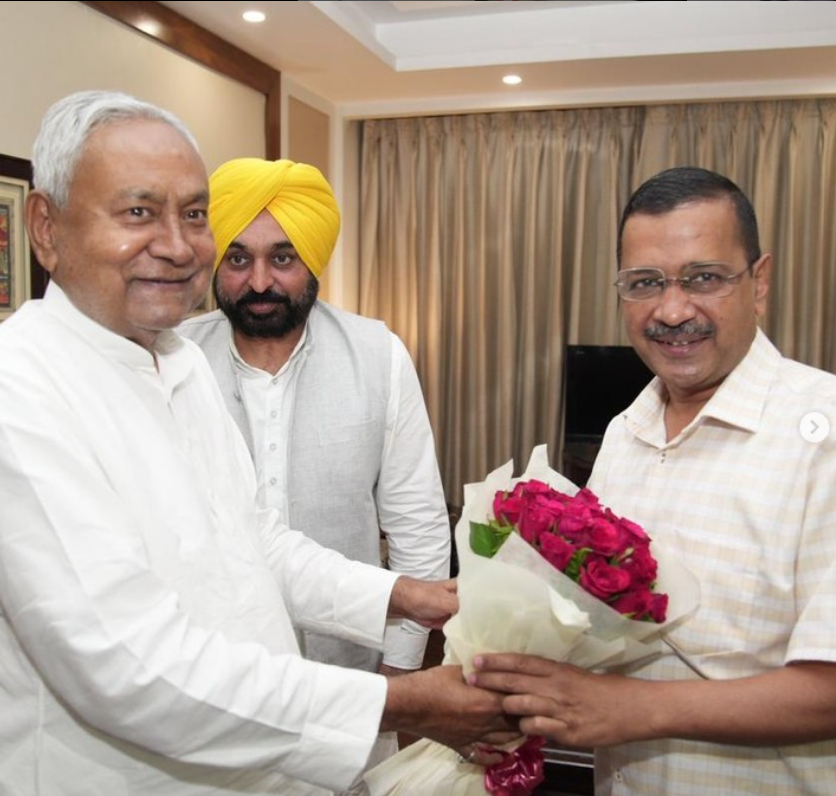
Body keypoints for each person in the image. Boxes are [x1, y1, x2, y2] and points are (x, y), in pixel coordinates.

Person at [0, 90, 514, 796]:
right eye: (139, 212)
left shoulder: (175, 361)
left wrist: (407, 595)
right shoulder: (20, 388)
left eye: (193, 214)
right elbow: (125, 666)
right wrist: (399, 704)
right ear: (46, 227)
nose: (179, 247)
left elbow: (252, 540)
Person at [470, 166, 836, 795]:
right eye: (645, 283)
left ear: (760, 283)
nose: (672, 310)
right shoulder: (624, 433)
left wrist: (629, 707)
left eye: (705, 278)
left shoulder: (825, 435)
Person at [176, 161, 450, 726]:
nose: (258, 282)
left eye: (282, 257)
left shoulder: (379, 356)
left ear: (313, 259)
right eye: (237, 258)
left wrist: (398, 676)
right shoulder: (172, 362)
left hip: (348, 677)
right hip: (207, 679)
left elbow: (416, 523)